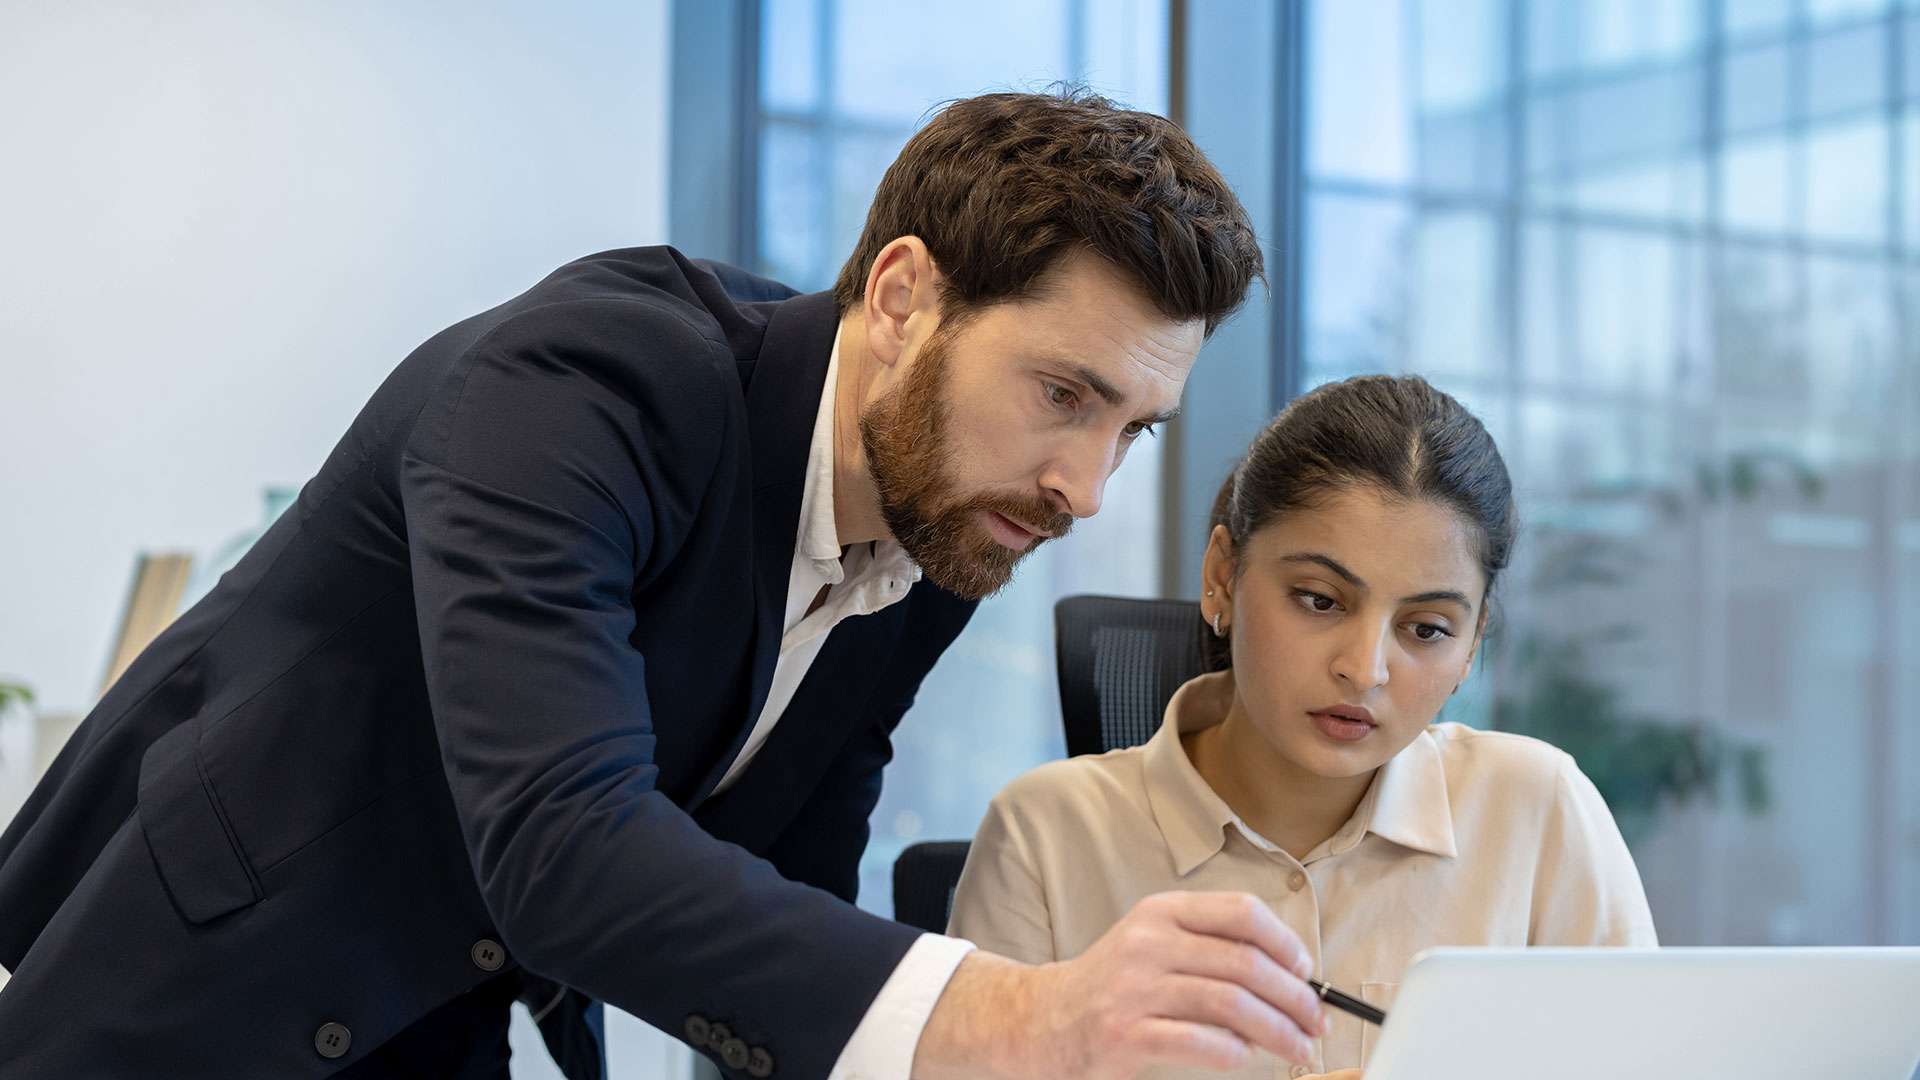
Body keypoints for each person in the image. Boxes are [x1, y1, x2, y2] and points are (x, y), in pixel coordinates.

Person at [0, 89, 1336, 1080]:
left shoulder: (939, 525)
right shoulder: (587, 384)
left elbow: (794, 877)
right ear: (902, 298)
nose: (1084, 488)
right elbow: (563, 842)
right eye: (1063, 395)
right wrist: (1017, 1016)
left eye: (1133, 431)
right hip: (173, 1001)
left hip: (440, 1023)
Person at [949, 374, 1659, 1078]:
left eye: (1427, 628)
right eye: (1319, 601)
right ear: (1223, 577)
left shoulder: (1538, 812)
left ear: (1472, 645)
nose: (1365, 669)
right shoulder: (1043, 838)